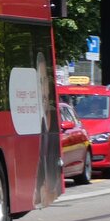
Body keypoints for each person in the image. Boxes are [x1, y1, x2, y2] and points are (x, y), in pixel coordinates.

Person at [34, 51, 62, 206]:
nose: (43, 89)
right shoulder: (38, 126)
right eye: (39, 81)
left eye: (44, 81)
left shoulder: (54, 123)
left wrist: (51, 191)